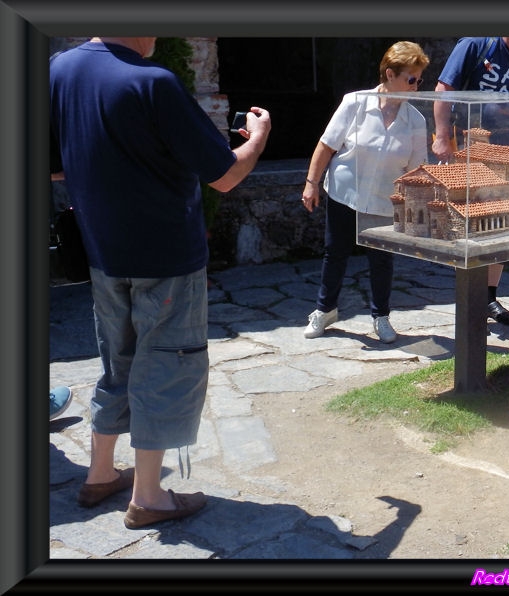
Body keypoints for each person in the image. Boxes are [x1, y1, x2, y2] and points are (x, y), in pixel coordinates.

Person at [50, 37, 271, 528]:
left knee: (118, 363)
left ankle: (100, 474)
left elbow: (52, 164)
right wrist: (257, 136)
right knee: (166, 366)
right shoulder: (154, 82)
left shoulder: (60, 71)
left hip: (103, 253)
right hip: (166, 256)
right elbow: (226, 176)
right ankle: (148, 497)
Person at [302, 41, 430, 342]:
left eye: (419, 80)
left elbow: (417, 171)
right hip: (345, 191)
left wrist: (416, 207)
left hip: (385, 200)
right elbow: (326, 145)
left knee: (381, 260)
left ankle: (381, 317)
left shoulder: (415, 120)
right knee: (335, 253)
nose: (415, 86)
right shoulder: (355, 103)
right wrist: (311, 183)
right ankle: (324, 310)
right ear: (390, 74)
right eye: (410, 79)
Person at [430, 37, 509, 327]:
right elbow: (444, 90)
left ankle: (488, 296)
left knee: (502, 227)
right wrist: (442, 137)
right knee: (471, 228)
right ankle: (469, 299)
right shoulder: (474, 46)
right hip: (471, 154)